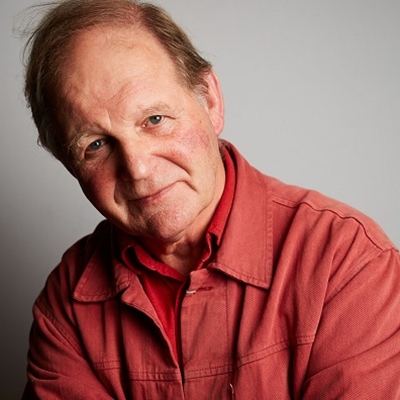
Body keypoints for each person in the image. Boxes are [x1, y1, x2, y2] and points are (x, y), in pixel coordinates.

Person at [21, 0, 400, 398]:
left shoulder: (348, 262)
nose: (138, 168)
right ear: (68, 163)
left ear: (210, 99)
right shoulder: (66, 303)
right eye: (96, 145)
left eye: (154, 120)